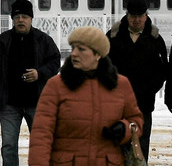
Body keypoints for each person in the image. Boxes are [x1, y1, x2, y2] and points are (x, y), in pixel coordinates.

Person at [27, 26, 143, 166]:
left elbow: (136, 121)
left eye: (81, 49)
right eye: (73, 48)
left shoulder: (121, 85)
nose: (74, 54)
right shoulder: (56, 86)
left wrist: (125, 128)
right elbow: (41, 134)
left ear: (98, 55)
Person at [0, 0, 61, 166]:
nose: (21, 20)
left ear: (31, 19)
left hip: (37, 103)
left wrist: (39, 73)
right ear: (13, 19)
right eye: (17, 17)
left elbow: (55, 61)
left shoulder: (43, 40)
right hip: (9, 105)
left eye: (25, 17)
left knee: (40, 145)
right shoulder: (3, 41)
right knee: (9, 146)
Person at [106, 0, 167, 159]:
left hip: (143, 102)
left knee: (141, 144)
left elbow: (162, 70)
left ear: (146, 16)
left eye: (140, 16)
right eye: (133, 16)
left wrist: (149, 90)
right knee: (116, 144)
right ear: (127, 15)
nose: (137, 20)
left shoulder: (155, 39)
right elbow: (103, 66)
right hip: (117, 102)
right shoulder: (113, 37)